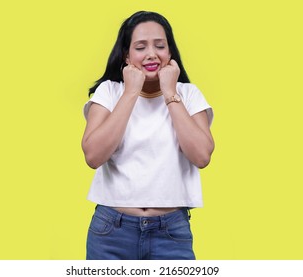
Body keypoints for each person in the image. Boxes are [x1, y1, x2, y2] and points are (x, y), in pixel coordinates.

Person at [81, 11, 214, 260]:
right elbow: (93, 156)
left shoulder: (189, 94)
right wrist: (131, 93)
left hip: (171, 233)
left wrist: (169, 92)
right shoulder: (109, 92)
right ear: (127, 55)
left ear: (170, 52)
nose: (151, 54)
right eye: (140, 47)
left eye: (160, 46)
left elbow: (202, 156)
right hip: (111, 232)